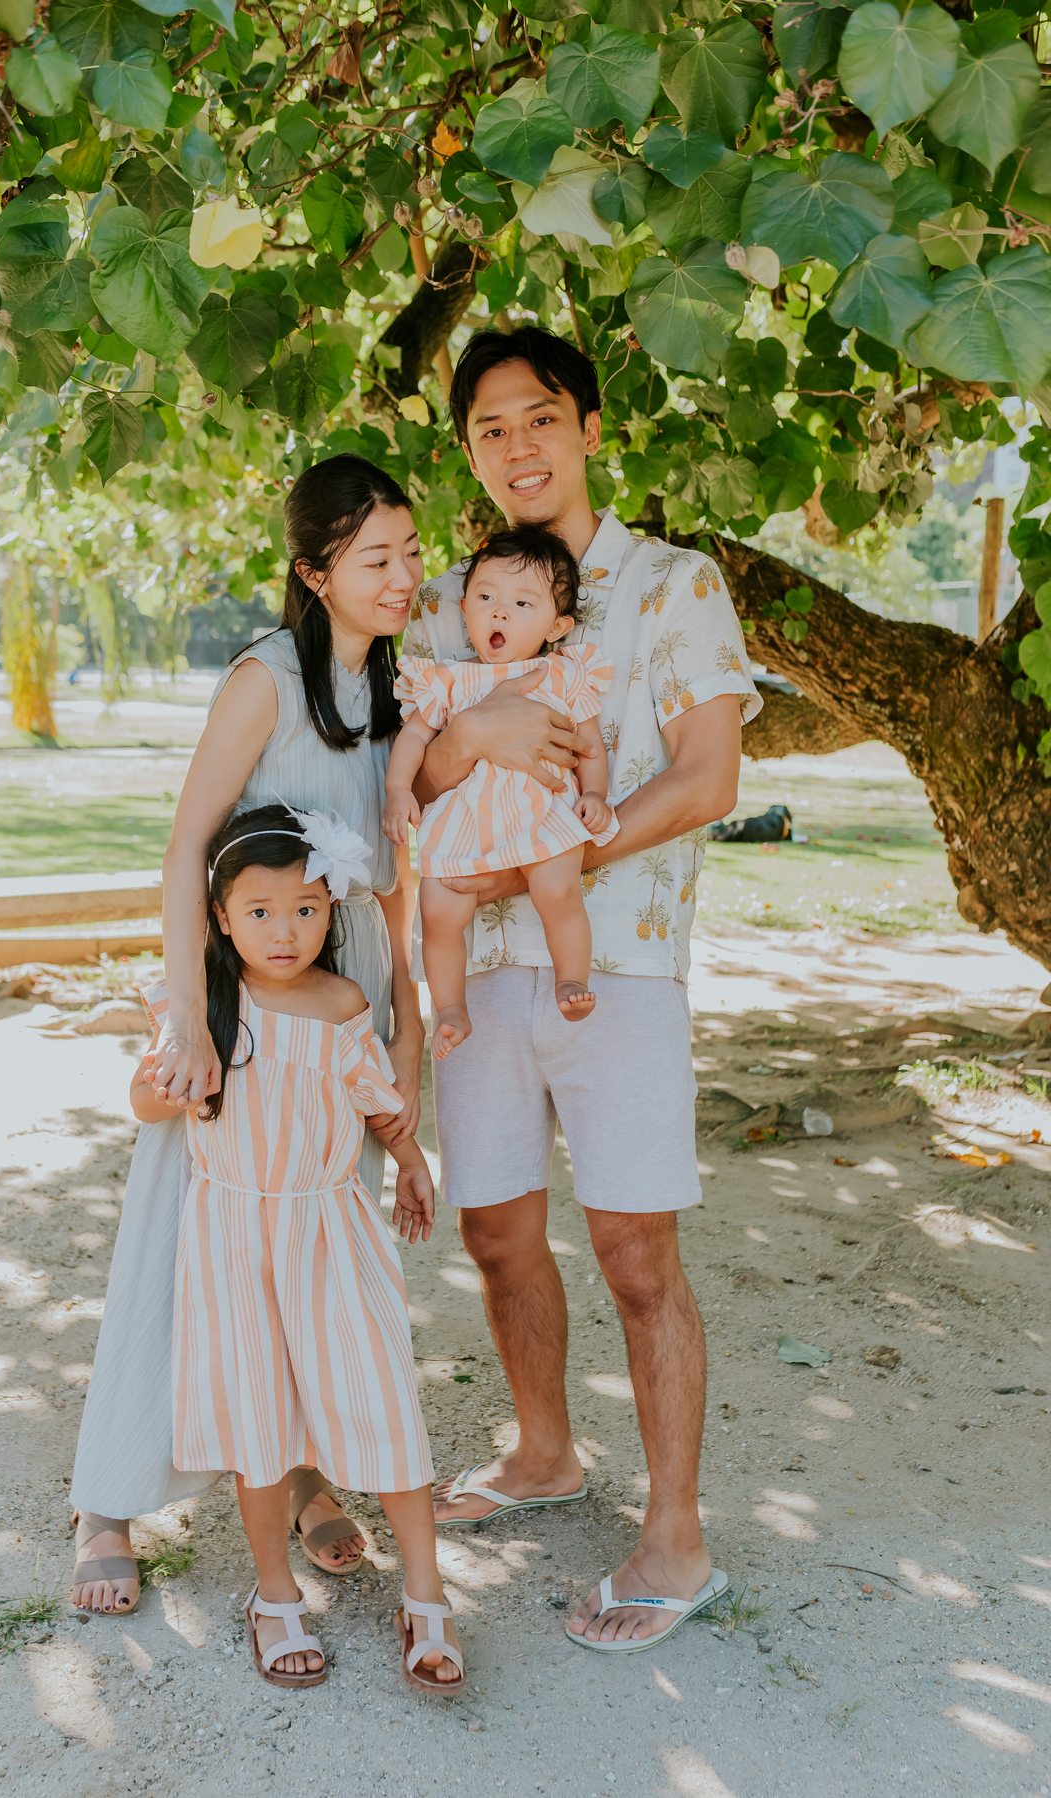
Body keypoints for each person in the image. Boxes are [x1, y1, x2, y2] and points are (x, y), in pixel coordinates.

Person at [403, 325, 762, 1651]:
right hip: (473, 973)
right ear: (470, 453)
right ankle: (544, 1449)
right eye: (489, 429)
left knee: (635, 1252)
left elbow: (707, 777)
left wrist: (550, 856)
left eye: (540, 417)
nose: (517, 448)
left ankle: (677, 1537)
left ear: (591, 426)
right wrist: (461, 750)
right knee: (496, 1236)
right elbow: (413, 768)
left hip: (614, 966)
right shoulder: (445, 599)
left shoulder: (675, 584)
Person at [69, 456, 427, 1614]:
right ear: (314, 571)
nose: (405, 576)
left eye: (413, 552)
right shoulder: (264, 680)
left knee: (315, 1254)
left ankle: (310, 1470)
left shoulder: (401, 686)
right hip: (243, 999)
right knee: (184, 1235)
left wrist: (404, 1017)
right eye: (377, 558)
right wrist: (190, 1016)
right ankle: (108, 1497)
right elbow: (186, 849)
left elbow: (392, 879)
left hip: (347, 992)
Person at [130, 806, 463, 1690]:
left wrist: (410, 1157)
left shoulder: (341, 1004)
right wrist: (164, 1080)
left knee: (380, 1393)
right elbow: (145, 1099)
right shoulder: (203, 1004)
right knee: (257, 1418)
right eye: (262, 910)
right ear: (221, 916)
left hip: (328, 1226)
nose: (286, 931)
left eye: (308, 909)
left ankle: (425, 1590)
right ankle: (273, 1592)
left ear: (331, 913)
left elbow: (375, 1097)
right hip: (233, 1237)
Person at [384, 523, 616, 1057]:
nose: (500, 612)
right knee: (439, 911)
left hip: (539, 813)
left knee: (558, 889)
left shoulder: (559, 676)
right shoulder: (448, 680)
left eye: (521, 602)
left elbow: (589, 743)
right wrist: (399, 790)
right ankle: (450, 1010)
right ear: (464, 608)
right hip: (467, 822)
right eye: (486, 597)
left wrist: (596, 795)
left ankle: (569, 978)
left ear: (557, 625)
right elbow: (414, 737)